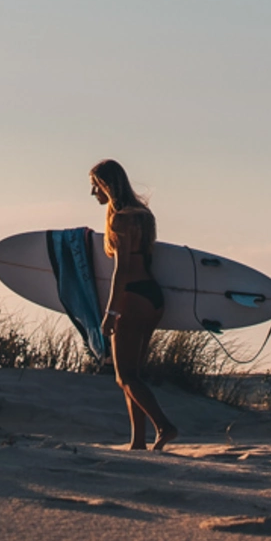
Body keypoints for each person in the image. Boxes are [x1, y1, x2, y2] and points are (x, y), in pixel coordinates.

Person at [93, 159, 178, 450]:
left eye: (96, 185)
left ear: (107, 185)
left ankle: (164, 427)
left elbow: (122, 270)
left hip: (132, 299)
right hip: (153, 297)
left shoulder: (120, 219)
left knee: (124, 376)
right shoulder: (144, 215)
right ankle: (138, 442)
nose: (93, 192)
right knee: (134, 376)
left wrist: (111, 312)